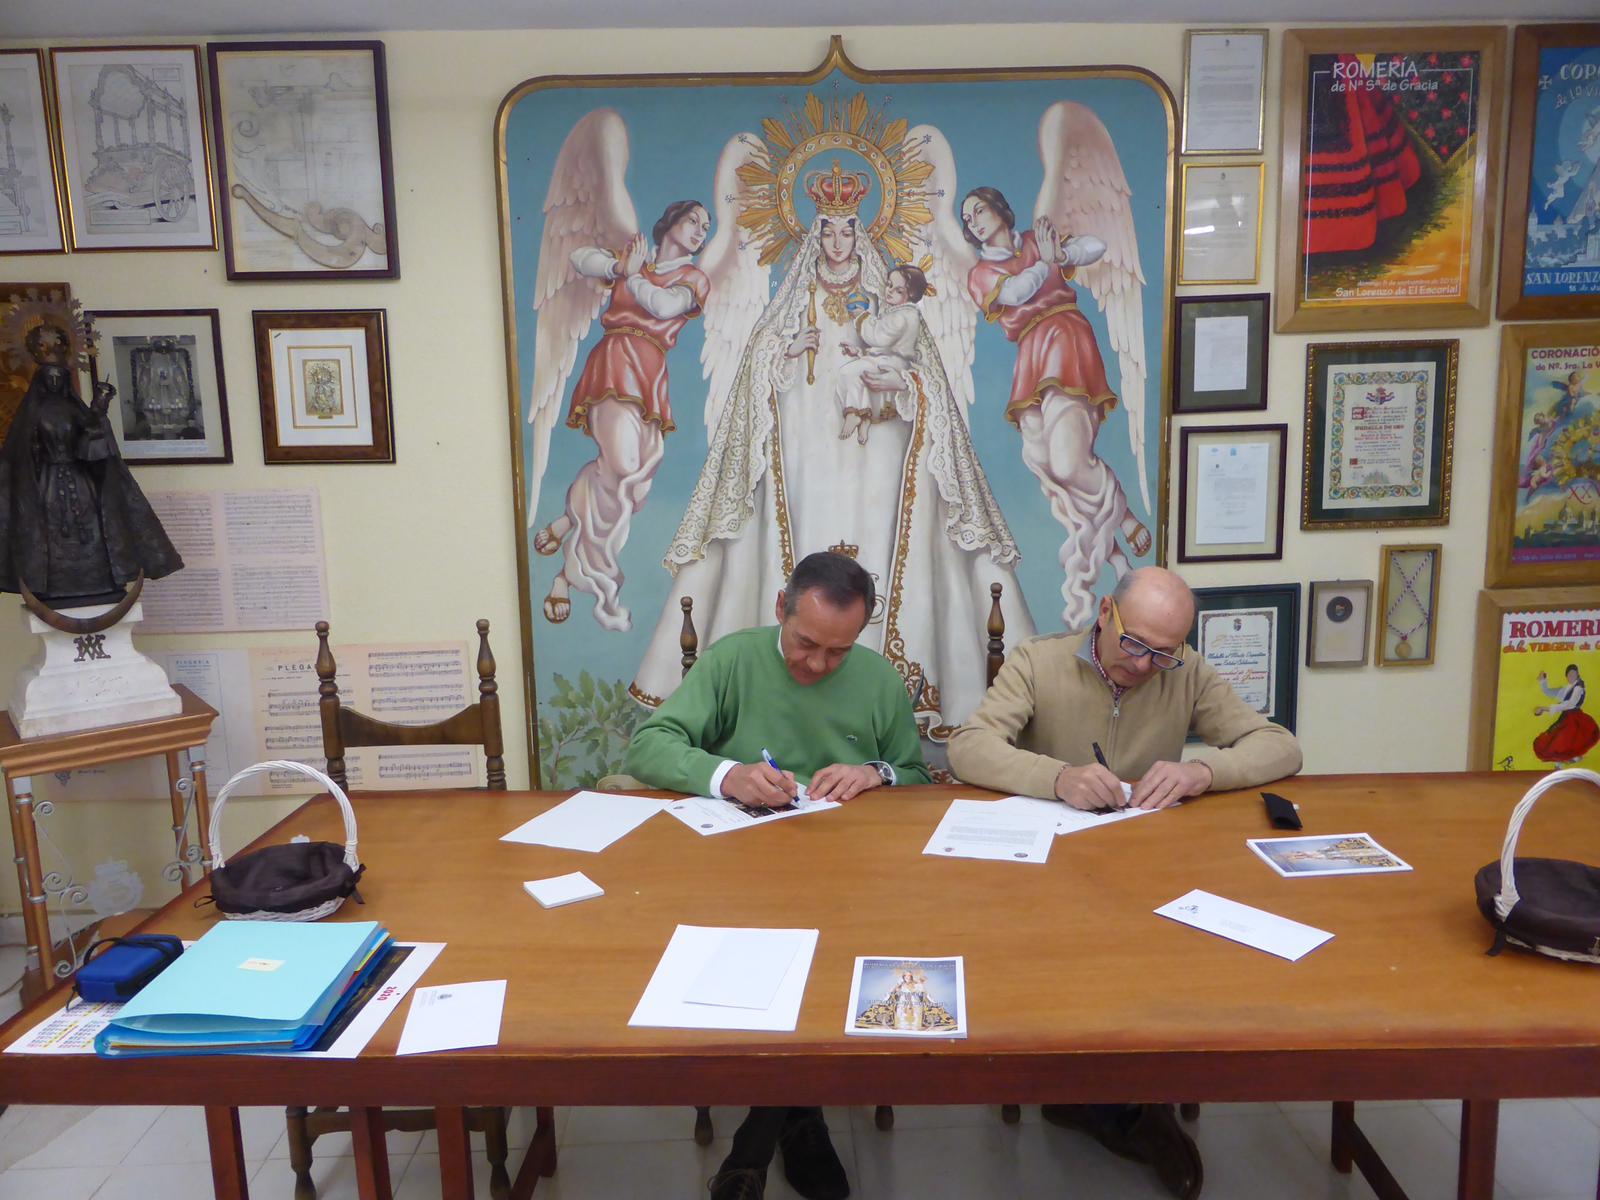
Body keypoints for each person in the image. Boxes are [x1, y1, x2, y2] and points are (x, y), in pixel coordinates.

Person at [947, 565, 1303, 1200]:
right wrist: (1059, 777)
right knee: (1073, 966)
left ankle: (1132, 1102)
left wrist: (1203, 772)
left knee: (1174, 969)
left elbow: (1280, 747)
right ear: (1105, 612)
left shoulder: (1185, 671)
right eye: (1134, 643)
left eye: (1162, 653)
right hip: (1048, 875)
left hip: (1147, 873)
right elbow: (969, 747)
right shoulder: (1039, 661)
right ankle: (1095, 1098)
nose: (1143, 665)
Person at [630, 185, 1032, 734]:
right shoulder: (795, 299)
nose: (838, 241)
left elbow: (927, 381)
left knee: (886, 543)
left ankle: (892, 694)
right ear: (814, 234)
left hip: (881, 459)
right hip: (804, 457)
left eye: (847, 230)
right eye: (828, 230)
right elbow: (756, 369)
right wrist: (786, 350)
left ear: (859, 233)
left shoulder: (890, 299)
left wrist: (904, 384)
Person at [624, 551, 930, 1200]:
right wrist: (727, 775)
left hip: (848, 877)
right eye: (805, 643)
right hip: (741, 873)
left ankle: (756, 1150)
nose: (817, 665)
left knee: (827, 971)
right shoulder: (734, 660)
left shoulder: (878, 679)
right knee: (776, 971)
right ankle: (799, 1125)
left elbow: (916, 775)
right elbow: (649, 745)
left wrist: (875, 773)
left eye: (838, 651)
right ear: (779, 610)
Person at [960, 185, 1151, 632]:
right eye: (967, 219)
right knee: (1049, 468)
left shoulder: (1035, 241)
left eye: (979, 211)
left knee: (1068, 462)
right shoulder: (982, 273)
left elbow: (1095, 247)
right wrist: (1046, 262)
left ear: (1000, 209)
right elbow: (1016, 294)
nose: (974, 222)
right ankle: (1116, 560)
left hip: (1064, 339)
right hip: (1032, 357)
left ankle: (1124, 517)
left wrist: (1059, 254)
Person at [534, 199, 712, 630]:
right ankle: (569, 576)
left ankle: (568, 522)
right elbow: (580, 258)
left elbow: (664, 308)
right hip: (615, 362)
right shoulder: (634, 258)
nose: (700, 231)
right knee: (623, 467)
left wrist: (631, 275)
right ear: (670, 222)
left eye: (706, 227)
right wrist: (620, 268)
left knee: (630, 482)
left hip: (650, 372)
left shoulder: (693, 278)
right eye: (693, 220)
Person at [0, 324, 183, 606]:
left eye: (59, 376)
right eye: (49, 376)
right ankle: (51, 582)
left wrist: (98, 409)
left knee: (93, 529)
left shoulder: (76, 410)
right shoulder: (32, 414)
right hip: (45, 485)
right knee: (49, 534)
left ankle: (98, 579)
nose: (54, 381)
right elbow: (20, 456)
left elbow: (93, 447)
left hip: (81, 481)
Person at [834, 264, 926, 445]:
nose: (889, 291)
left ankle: (853, 413)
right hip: (889, 359)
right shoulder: (903, 313)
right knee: (860, 376)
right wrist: (860, 352)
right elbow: (887, 346)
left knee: (848, 373)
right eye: (889, 285)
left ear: (911, 294)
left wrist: (862, 317)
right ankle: (864, 419)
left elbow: (878, 337)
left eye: (898, 290)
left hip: (893, 363)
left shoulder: (902, 316)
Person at [1533, 665, 1599, 766]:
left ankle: (1566, 762)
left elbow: (1569, 704)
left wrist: (1545, 709)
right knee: (1556, 741)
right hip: (1566, 717)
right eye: (1569, 674)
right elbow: (1550, 692)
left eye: (1573, 673)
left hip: (1574, 719)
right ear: (1566, 676)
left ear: (1577, 674)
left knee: (1561, 741)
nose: (1571, 676)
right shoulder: (1567, 688)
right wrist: (1543, 681)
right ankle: (1563, 763)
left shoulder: (1579, 688)